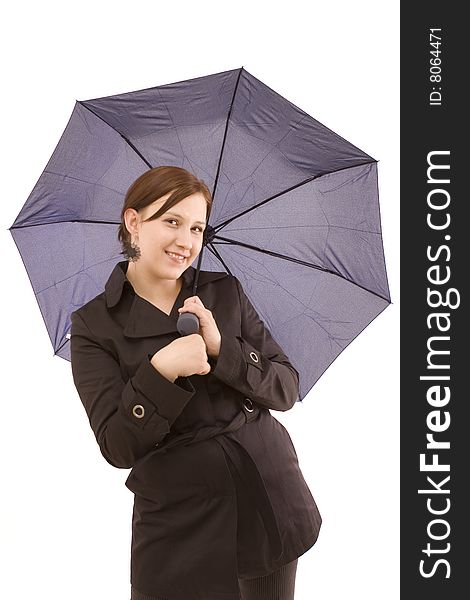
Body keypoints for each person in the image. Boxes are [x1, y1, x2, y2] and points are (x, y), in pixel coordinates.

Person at [70, 166, 322, 600]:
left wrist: (224, 350)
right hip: (176, 522)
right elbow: (117, 446)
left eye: (197, 227)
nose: (186, 241)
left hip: (265, 493)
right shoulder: (94, 325)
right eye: (171, 221)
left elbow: (285, 388)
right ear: (133, 222)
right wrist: (161, 371)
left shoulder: (224, 292)